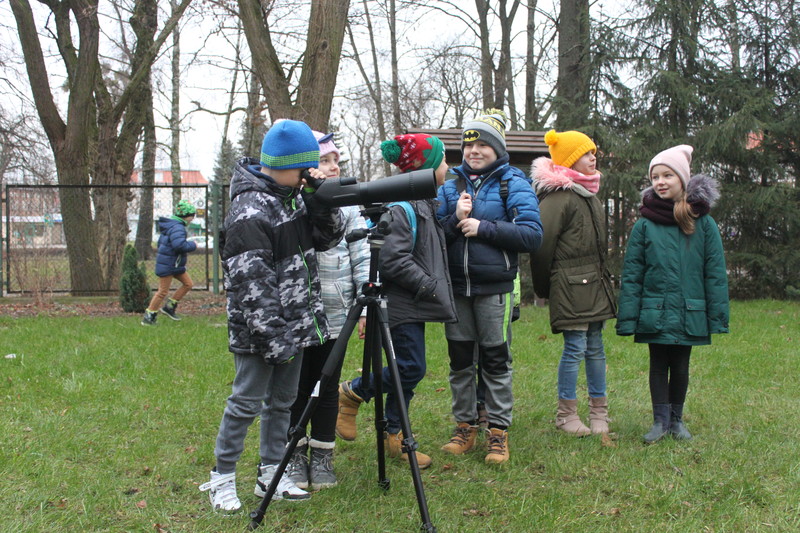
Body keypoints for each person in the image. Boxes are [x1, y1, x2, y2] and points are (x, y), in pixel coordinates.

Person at [199, 119, 344, 513]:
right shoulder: (250, 209)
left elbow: (328, 239)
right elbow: (251, 285)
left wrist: (320, 199)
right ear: (290, 163)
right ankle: (221, 478)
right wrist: (275, 339)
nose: (308, 175)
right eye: (306, 168)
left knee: (281, 403)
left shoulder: (293, 196)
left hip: (293, 327)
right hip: (260, 333)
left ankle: (270, 475)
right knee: (245, 402)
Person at [335, 133, 456, 469]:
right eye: (444, 160)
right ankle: (354, 392)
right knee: (411, 367)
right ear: (426, 167)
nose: (448, 166)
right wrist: (428, 285)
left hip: (412, 303)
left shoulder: (422, 204)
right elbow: (392, 259)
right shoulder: (404, 208)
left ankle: (396, 437)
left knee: (408, 371)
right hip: (401, 304)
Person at [436, 110, 543, 463]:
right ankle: (465, 425)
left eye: (482, 144)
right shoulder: (451, 186)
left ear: (497, 149)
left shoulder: (513, 183)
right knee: (460, 362)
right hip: (456, 290)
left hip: (495, 289)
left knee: (496, 361)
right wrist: (456, 220)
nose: (474, 151)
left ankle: (498, 431)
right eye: (469, 145)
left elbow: (531, 235)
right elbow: (435, 236)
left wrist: (484, 228)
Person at [615, 144, 729, 443]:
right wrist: (628, 317)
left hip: (689, 310)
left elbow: (714, 273)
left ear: (683, 179)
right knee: (657, 364)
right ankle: (659, 421)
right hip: (655, 309)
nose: (660, 182)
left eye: (667, 175)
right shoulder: (644, 225)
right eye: (655, 177)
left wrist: (716, 316)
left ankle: (677, 420)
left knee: (680, 365)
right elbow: (633, 275)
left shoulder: (703, 224)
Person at [284, 131, 370, 491]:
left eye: (337, 159)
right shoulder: (289, 202)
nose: (334, 166)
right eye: (324, 160)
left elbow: (363, 253)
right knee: (295, 386)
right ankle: (293, 454)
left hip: (337, 313)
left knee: (327, 384)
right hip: (296, 314)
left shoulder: (349, 203)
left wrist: (364, 304)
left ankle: (322, 454)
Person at [529, 129, 617, 437]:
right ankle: (566, 415)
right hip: (569, 286)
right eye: (586, 153)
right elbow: (540, 248)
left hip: (594, 285)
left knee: (595, 348)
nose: (593, 158)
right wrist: (545, 289)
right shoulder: (559, 198)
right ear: (569, 160)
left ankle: (599, 413)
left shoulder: (589, 194)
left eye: (594, 152)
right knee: (575, 348)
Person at [141, 200, 197, 326]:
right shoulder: (178, 227)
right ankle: (149, 316)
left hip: (174, 264)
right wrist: (193, 245)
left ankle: (170, 307)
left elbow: (162, 244)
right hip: (169, 264)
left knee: (188, 284)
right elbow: (179, 245)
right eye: (191, 216)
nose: (192, 219)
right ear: (186, 216)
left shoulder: (171, 226)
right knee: (162, 291)